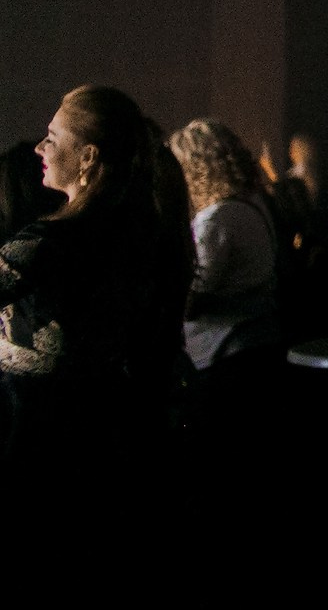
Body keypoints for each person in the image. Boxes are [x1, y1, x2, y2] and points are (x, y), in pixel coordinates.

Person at [2, 86, 193, 462]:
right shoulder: (135, 231)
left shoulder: (50, 243)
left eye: (52, 138)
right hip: (105, 425)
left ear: (87, 157)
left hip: (37, 428)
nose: (40, 148)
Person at [169, 119, 282, 394]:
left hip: (223, 350)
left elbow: (193, 298)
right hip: (259, 338)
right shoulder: (253, 203)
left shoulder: (216, 219)